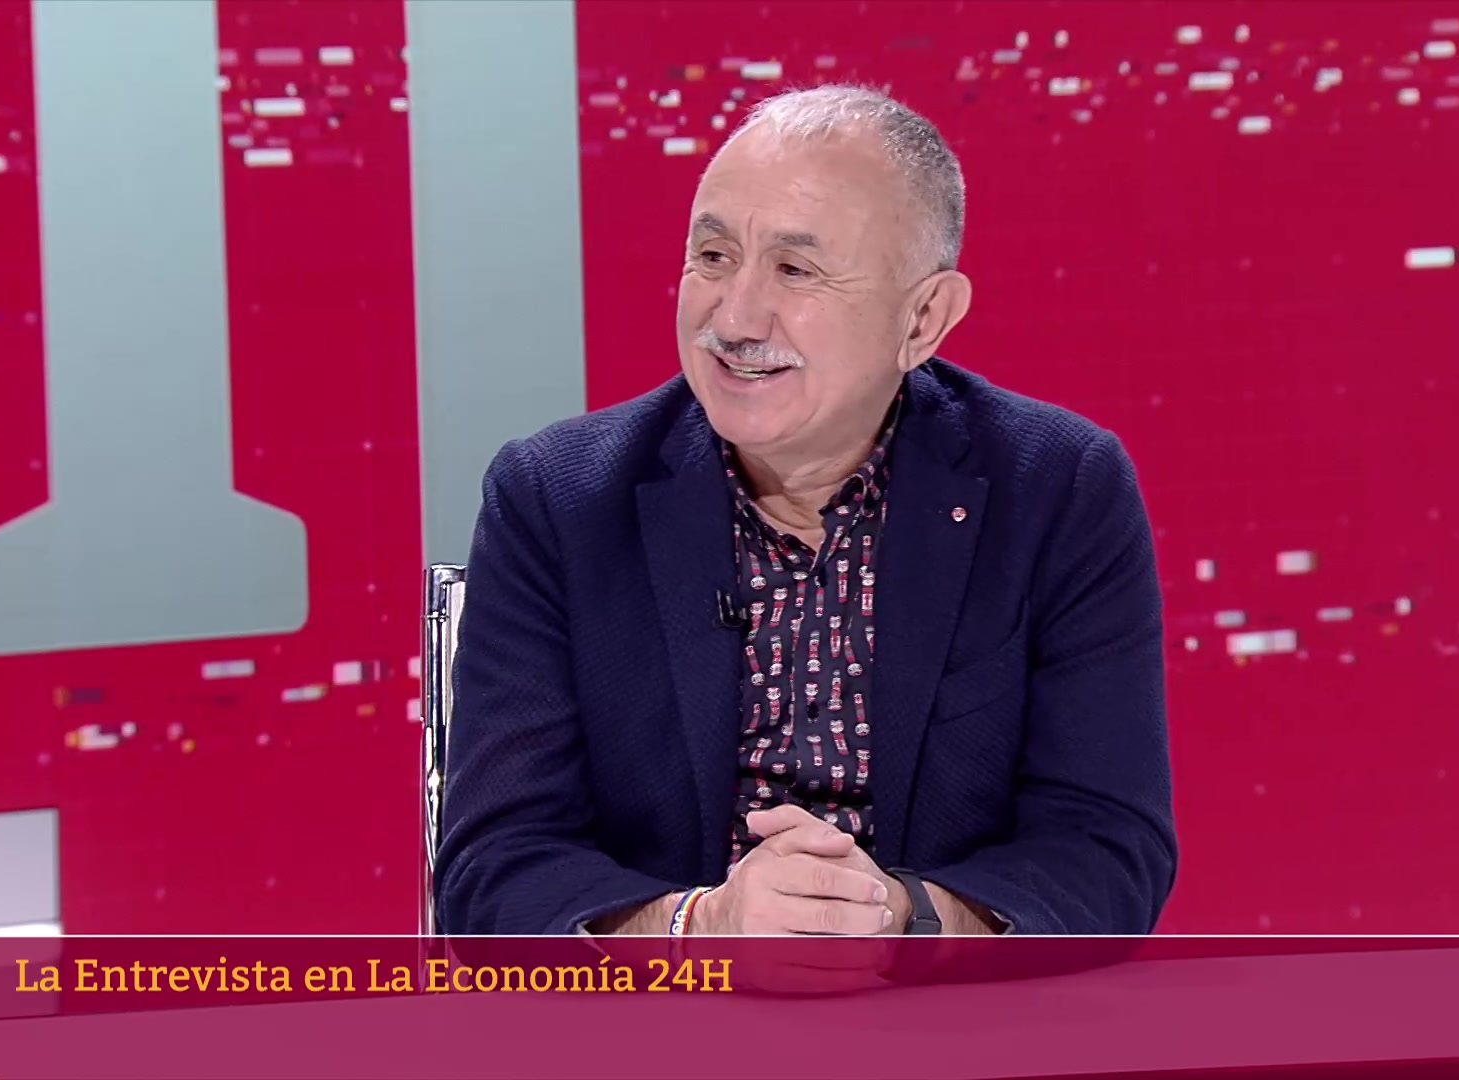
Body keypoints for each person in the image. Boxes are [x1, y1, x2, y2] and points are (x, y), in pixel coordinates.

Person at [434, 84, 1176, 940]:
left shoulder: (1056, 489)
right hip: (661, 1012)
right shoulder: (557, 499)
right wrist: (700, 928)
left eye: (795, 270)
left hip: (948, 1011)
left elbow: (1106, 848)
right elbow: (494, 867)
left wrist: (905, 923)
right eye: (713, 256)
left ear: (924, 319)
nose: (735, 316)